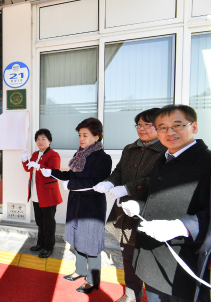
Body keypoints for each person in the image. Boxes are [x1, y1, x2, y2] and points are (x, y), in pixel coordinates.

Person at [120, 105, 211, 302]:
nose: (169, 132)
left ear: (194, 127)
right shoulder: (164, 158)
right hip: (151, 259)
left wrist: (181, 227)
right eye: (162, 127)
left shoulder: (207, 162)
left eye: (177, 125)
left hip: (182, 264)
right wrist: (140, 206)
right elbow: (159, 198)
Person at [94, 108, 167, 302]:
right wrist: (109, 182)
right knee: (128, 256)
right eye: (139, 125)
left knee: (150, 259)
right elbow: (118, 171)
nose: (142, 129)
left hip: (150, 213)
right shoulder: (129, 148)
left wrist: (127, 188)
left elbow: (157, 179)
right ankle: (131, 294)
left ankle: (154, 296)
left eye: (147, 124)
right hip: (126, 212)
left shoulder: (167, 150)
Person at [40, 117, 112, 294]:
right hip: (76, 204)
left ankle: (93, 279)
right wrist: (52, 172)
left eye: (85, 135)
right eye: (79, 135)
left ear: (97, 136)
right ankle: (80, 270)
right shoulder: (79, 155)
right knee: (77, 239)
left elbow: (95, 182)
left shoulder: (103, 158)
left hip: (91, 207)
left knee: (91, 242)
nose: (81, 139)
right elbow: (70, 175)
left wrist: (70, 185)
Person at [22, 128, 62, 259]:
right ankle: (40, 243)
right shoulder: (35, 154)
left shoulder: (53, 155)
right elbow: (28, 168)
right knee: (40, 221)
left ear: (49, 141)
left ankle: (48, 247)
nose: (40, 141)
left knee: (48, 222)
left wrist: (39, 166)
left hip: (48, 195)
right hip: (36, 193)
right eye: (38, 139)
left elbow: (53, 172)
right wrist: (25, 160)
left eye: (43, 139)